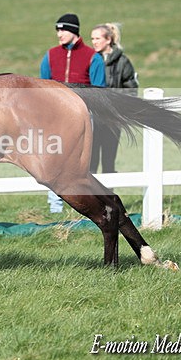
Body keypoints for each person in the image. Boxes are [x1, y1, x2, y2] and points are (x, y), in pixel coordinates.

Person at [40, 13, 105, 212]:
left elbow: (99, 90)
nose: (59, 34)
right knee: (52, 160)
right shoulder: (50, 55)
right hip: (54, 120)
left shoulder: (93, 58)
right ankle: (55, 207)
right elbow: (41, 88)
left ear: (74, 31)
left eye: (63, 30)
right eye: (57, 30)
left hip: (82, 118)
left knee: (83, 162)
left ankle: (89, 204)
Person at [89, 22, 138, 174]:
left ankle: (108, 196)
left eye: (97, 38)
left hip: (112, 119)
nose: (94, 42)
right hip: (92, 118)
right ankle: (91, 196)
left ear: (108, 40)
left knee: (108, 161)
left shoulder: (123, 62)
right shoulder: (90, 60)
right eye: (92, 39)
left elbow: (131, 89)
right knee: (91, 161)